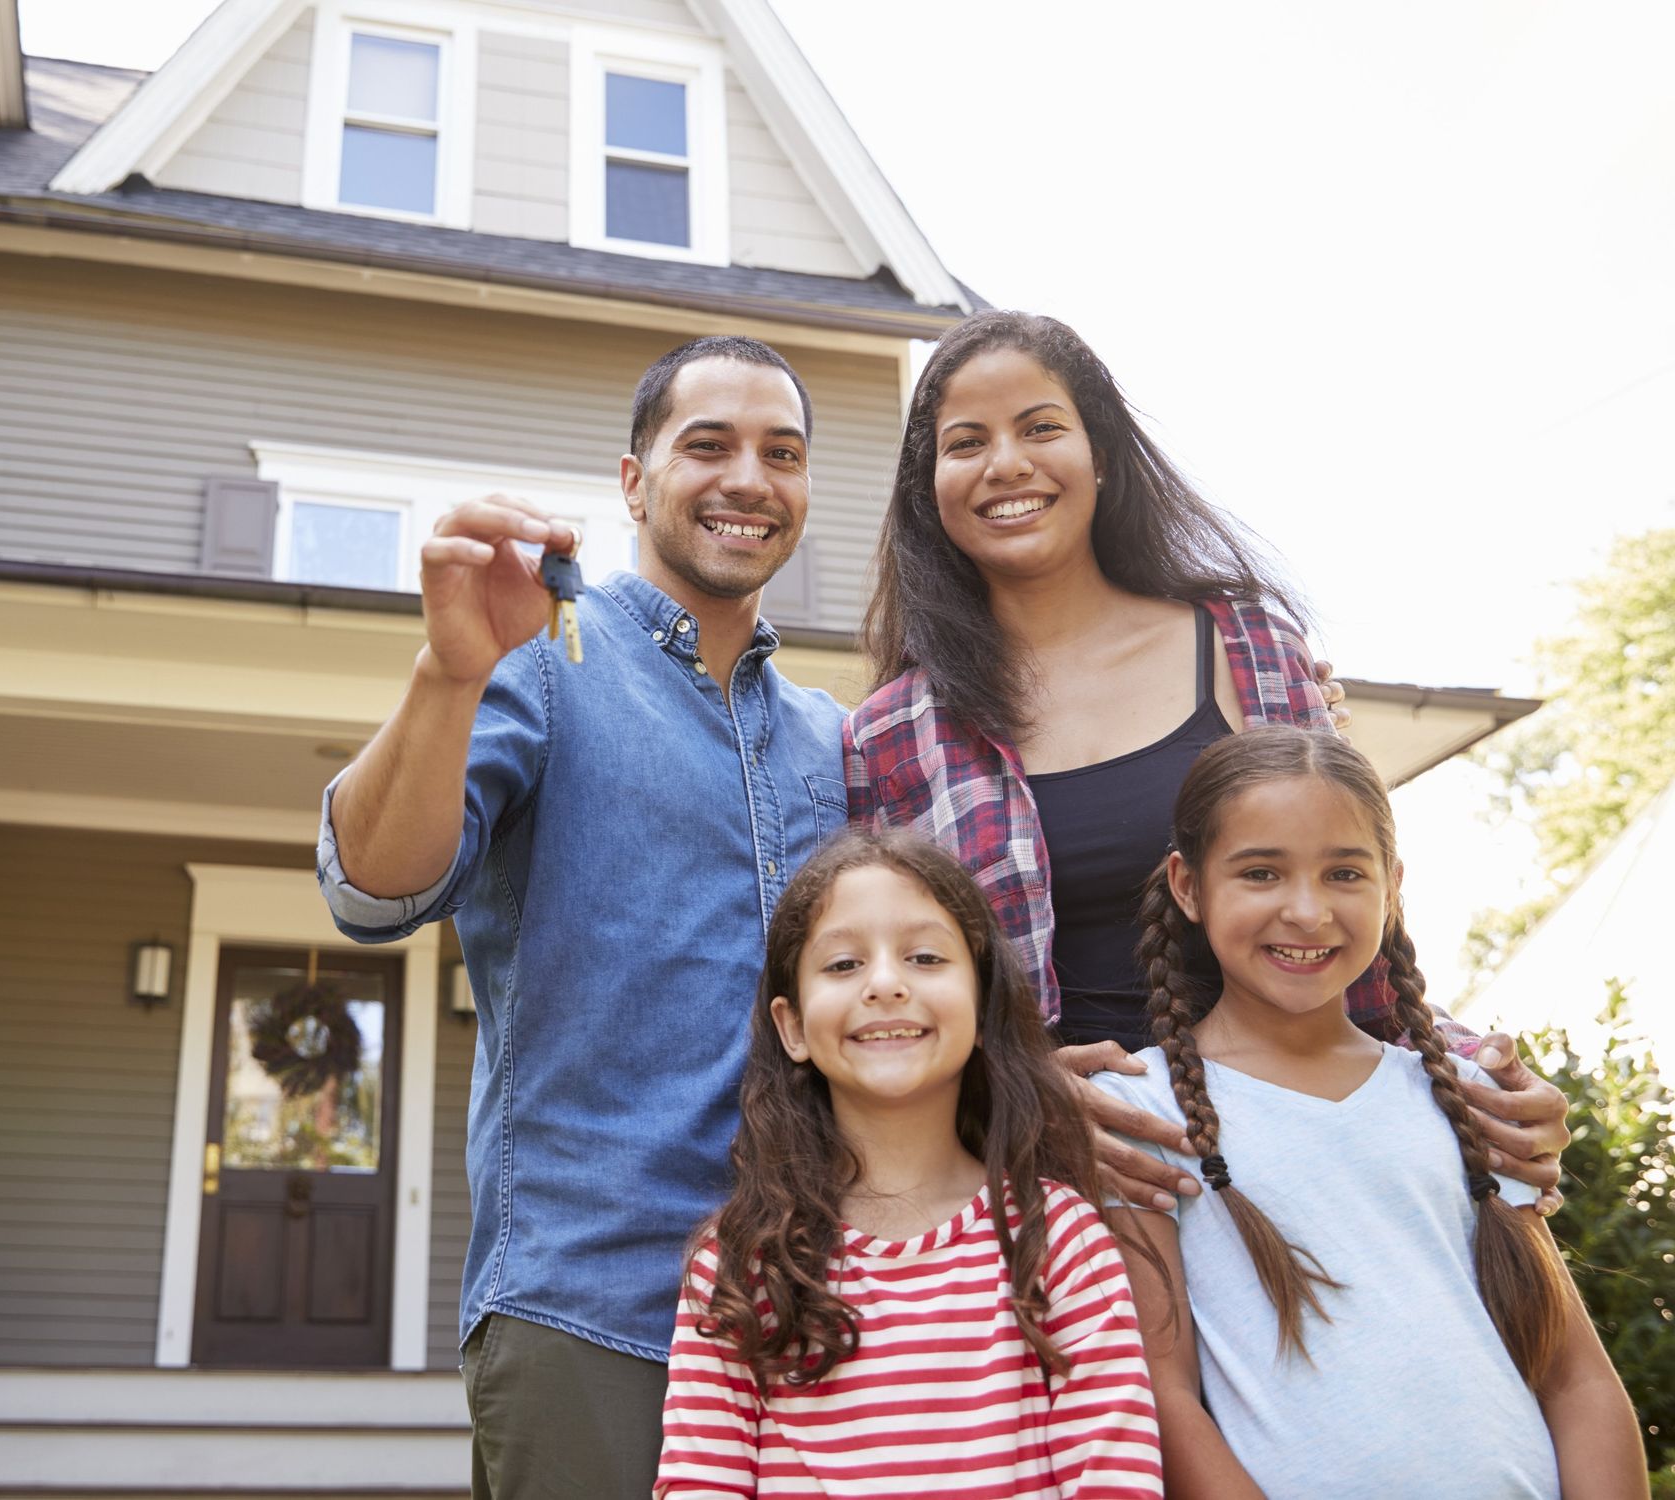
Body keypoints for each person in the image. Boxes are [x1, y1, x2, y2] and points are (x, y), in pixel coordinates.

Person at [845, 309, 1569, 1213]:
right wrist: (1013, 1095)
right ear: (930, 487)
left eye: (1041, 427)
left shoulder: (1251, 648)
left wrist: (1478, 1080)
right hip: (1063, 1190)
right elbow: (886, 996)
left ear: (1101, 454)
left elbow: (1353, 927)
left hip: (1296, 1157)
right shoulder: (892, 735)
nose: (1007, 463)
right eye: (966, 442)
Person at [320, 335, 843, 1498]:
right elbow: (371, 889)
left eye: (782, 453)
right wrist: (448, 673)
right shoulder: (540, 662)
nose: (747, 478)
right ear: (632, 482)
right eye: (706, 445)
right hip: (595, 1312)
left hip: (816, 1314)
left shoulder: (829, 737)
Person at [1093, 727, 1646, 1500]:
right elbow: (1165, 1394)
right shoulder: (1140, 1112)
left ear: (1392, 886)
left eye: (1345, 873)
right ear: (1189, 886)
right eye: (1261, 872)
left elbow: (1574, 1376)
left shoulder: (1461, 1095)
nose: (1308, 911)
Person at [657, 828, 1162, 1498]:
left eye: (924, 957)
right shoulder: (740, 1260)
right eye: (843, 965)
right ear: (793, 1026)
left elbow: (1115, 1482)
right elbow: (701, 1483)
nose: (886, 984)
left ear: (981, 1003)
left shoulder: (1058, 1239)